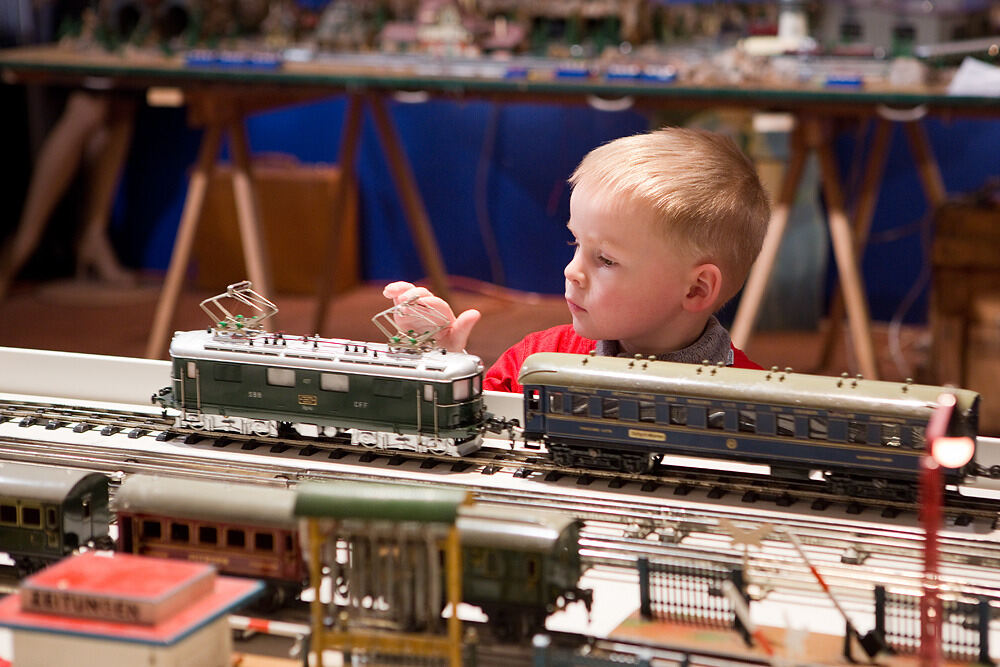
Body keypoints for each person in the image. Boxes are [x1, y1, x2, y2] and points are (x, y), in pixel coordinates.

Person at [384, 126, 771, 393]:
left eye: (605, 259)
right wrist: (446, 361)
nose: (572, 272)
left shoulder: (757, 398)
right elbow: (470, 428)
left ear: (696, 288)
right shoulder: (536, 360)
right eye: (575, 244)